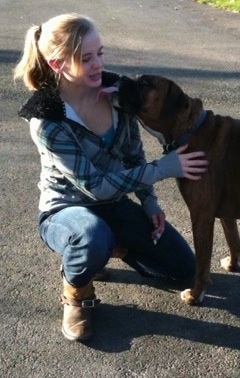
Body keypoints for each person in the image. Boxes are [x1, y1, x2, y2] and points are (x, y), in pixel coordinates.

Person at [14, 13, 208, 342]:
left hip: (114, 205)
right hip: (65, 211)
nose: (98, 65)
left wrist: (149, 203)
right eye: (86, 58)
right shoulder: (47, 118)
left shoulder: (117, 94)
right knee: (90, 236)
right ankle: (77, 289)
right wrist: (166, 168)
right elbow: (94, 186)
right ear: (58, 64)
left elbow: (133, 155)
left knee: (184, 272)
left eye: (100, 53)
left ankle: (113, 247)